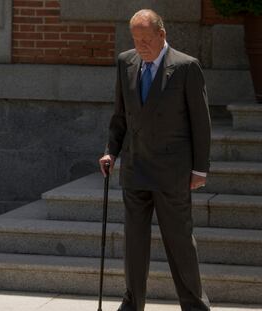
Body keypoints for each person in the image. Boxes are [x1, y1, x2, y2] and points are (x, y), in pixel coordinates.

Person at [98, 9, 212, 311]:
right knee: (134, 244)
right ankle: (132, 304)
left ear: (162, 35)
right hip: (135, 168)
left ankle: (194, 306)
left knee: (179, 244)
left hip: (172, 172)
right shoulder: (126, 62)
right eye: (136, 40)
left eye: (146, 39)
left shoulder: (186, 67)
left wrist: (199, 169)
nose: (141, 46)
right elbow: (120, 115)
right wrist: (111, 150)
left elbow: (201, 122)